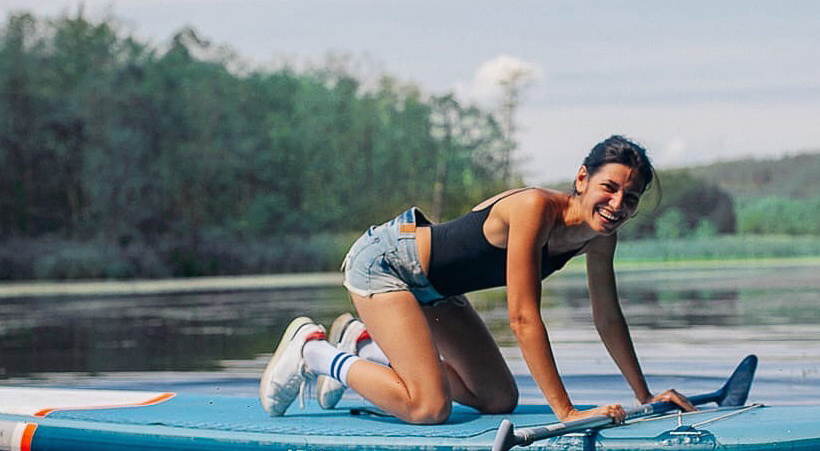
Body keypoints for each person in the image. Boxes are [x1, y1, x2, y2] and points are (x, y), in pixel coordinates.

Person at [260, 134, 694, 424]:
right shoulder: (535, 209)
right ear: (583, 178)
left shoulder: (600, 240)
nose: (618, 204)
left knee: (497, 399)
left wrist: (644, 396)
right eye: (610, 188)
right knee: (428, 406)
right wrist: (565, 412)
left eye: (630, 198)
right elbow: (523, 318)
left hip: (437, 291)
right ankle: (315, 352)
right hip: (387, 264)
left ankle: (365, 345)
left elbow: (608, 319)